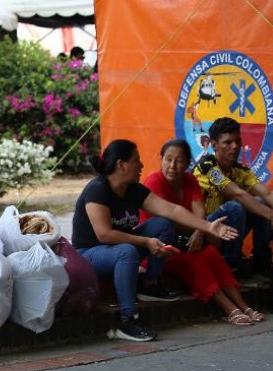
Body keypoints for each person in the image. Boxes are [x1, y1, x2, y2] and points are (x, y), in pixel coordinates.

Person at [72, 139, 238, 342]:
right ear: (120, 164)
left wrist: (206, 226)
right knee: (127, 250)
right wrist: (145, 242)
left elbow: (171, 209)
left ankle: (151, 284)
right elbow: (104, 234)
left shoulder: (133, 189)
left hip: (119, 249)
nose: (141, 165)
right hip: (90, 255)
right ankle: (127, 320)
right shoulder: (97, 189)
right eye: (136, 160)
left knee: (163, 223)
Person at [141, 139, 265, 325]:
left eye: (179, 161)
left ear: (187, 163)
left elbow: (199, 210)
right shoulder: (154, 181)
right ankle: (229, 309)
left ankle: (243, 306)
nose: (173, 166)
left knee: (211, 253)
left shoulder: (189, 180)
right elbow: (172, 219)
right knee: (196, 259)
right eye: (168, 160)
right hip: (160, 249)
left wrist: (200, 230)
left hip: (186, 241)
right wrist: (201, 228)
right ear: (161, 160)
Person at [193, 117, 273, 275]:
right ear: (214, 145)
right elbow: (237, 194)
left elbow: (267, 193)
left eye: (237, 141)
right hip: (204, 230)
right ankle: (231, 264)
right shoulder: (207, 166)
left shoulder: (240, 171)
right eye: (228, 142)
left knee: (260, 201)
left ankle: (261, 262)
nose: (235, 146)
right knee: (236, 206)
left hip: (228, 231)